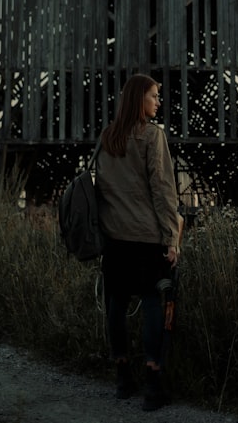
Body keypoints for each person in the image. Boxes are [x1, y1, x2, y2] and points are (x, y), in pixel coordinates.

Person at [96, 73, 183, 411]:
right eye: (153, 96)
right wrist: (171, 237)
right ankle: (153, 383)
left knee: (116, 306)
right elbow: (163, 190)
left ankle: (122, 379)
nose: (158, 102)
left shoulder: (107, 137)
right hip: (147, 239)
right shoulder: (152, 136)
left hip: (114, 240)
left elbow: (101, 189)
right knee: (151, 304)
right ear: (139, 100)